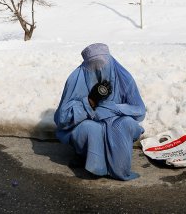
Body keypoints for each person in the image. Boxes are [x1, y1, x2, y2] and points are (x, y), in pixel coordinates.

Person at [54, 43, 146, 181]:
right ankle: (91, 162)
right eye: (93, 67)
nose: (99, 70)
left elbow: (139, 110)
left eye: (103, 65)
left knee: (124, 124)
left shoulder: (123, 78)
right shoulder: (76, 78)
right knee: (91, 129)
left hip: (116, 120)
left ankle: (120, 167)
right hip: (88, 122)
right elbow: (62, 119)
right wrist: (90, 101)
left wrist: (111, 108)